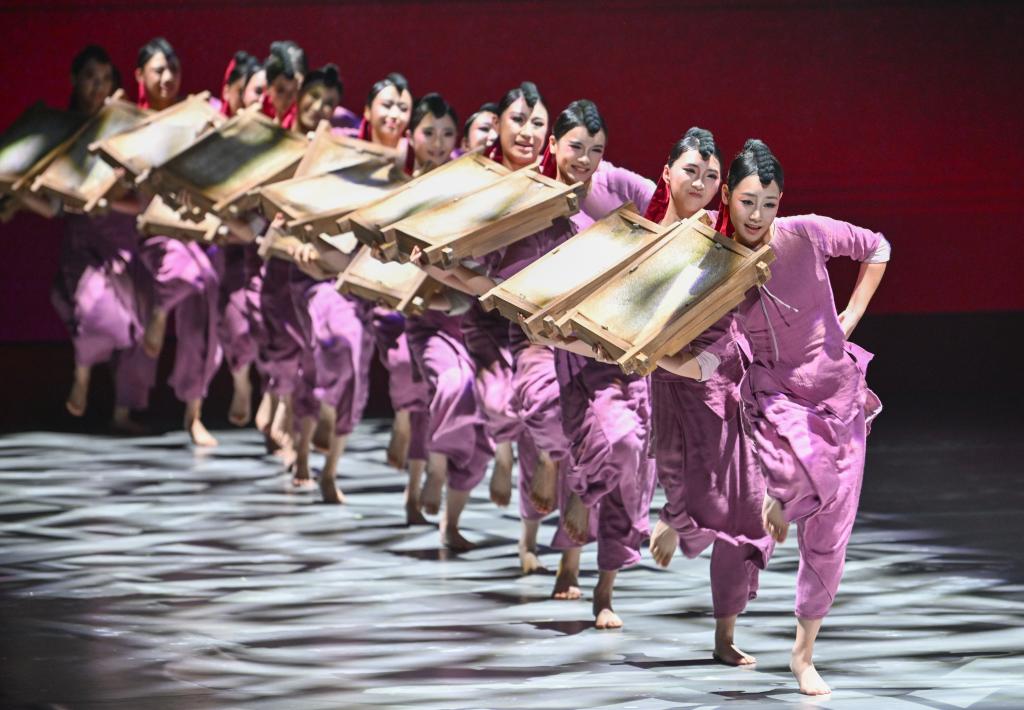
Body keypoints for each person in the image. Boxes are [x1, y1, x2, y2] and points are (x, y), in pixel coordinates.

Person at [708, 139, 888, 694]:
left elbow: (877, 245)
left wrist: (851, 313)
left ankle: (803, 655)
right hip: (778, 394)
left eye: (768, 203)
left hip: (839, 393)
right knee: (810, 471)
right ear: (727, 196)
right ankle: (782, 490)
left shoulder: (805, 233)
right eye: (746, 202)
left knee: (832, 532)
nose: (756, 215)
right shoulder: (714, 255)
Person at [645, 128, 775, 664]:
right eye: (690, 172)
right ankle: (677, 517)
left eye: (711, 176)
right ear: (667, 174)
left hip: (728, 383)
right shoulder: (644, 239)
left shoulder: (727, 240)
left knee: (747, 509)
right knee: (696, 498)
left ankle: (725, 634)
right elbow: (635, 326)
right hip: (675, 385)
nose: (699, 183)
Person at [47, 45, 156, 432]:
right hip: (83, 244)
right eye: (91, 78)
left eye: (105, 78)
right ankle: (82, 373)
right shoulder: (62, 132)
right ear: (75, 80)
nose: (98, 86)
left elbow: (142, 201)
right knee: (99, 311)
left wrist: (108, 201)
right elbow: (54, 201)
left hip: (122, 240)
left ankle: (122, 413)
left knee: (136, 328)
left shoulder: (124, 132)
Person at [134, 36, 222, 446]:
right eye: (158, 70)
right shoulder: (130, 123)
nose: (167, 77)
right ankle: (158, 311)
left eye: (173, 70)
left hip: (191, 229)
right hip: (152, 233)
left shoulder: (192, 118)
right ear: (140, 75)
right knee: (189, 274)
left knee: (205, 294)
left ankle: (194, 412)